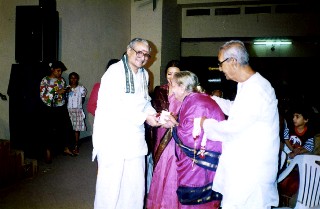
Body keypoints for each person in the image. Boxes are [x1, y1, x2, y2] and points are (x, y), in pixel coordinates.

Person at [197, 40, 280, 209]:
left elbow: (232, 129)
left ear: (233, 61)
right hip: (244, 169)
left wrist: (204, 123)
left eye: (220, 64)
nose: (220, 68)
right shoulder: (247, 86)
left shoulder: (257, 90)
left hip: (251, 173)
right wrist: (210, 99)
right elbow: (236, 109)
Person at [92, 38, 162, 209]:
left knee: (134, 185)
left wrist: (156, 116)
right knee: (110, 186)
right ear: (129, 50)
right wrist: (144, 117)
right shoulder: (114, 72)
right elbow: (114, 105)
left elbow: (144, 102)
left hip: (134, 138)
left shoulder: (145, 74)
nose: (143, 57)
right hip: (113, 138)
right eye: (139, 52)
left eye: (146, 54)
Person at [170, 71, 225, 209]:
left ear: (182, 87)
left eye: (173, 85)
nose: (172, 89)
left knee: (196, 203)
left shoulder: (197, 102)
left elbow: (192, 136)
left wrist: (174, 125)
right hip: (200, 163)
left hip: (200, 164)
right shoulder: (195, 99)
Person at [147, 60, 182, 209]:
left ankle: (172, 203)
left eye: (176, 74)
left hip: (177, 136)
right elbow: (154, 110)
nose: (172, 77)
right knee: (160, 168)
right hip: (161, 132)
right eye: (169, 73)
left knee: (173, 169)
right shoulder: (159, 90)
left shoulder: (186, 91)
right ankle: (159, 202)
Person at [278, 103, 315, 207]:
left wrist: (297, 152)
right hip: (288, 150)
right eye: (294, 116)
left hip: (298, 154)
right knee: (283, 155)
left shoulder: (309, 133)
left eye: (297, 117)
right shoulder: (289, 127)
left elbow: (308, 147)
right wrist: (292, 150)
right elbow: (285, 139)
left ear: (306, 120)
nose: (294, 119)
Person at [39, 61, 75, 163]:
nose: (60, 73)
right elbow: (42, 96)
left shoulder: (62, 80)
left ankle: (65, 148)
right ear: (52, 69)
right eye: (58, 71)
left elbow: (62, 93)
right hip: (49, 108)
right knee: (49, 130)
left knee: (65, 128)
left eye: (61, 71)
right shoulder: (45, 80)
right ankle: (48, 151)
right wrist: (55, 92)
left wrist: (66, 91)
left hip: (61, 106)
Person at [67, 72, 87, 155]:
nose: (73, 80)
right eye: (71, 78)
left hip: (77, 110)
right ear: (69, 79)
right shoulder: (67, 88)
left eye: (75, 78)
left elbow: (82, 99)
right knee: (69, 129)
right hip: (68, 110)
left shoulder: (81, 88)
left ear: (77, 79)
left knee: (76, 129)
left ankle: (76, 145)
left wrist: (77, 107)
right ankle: (69, 146)